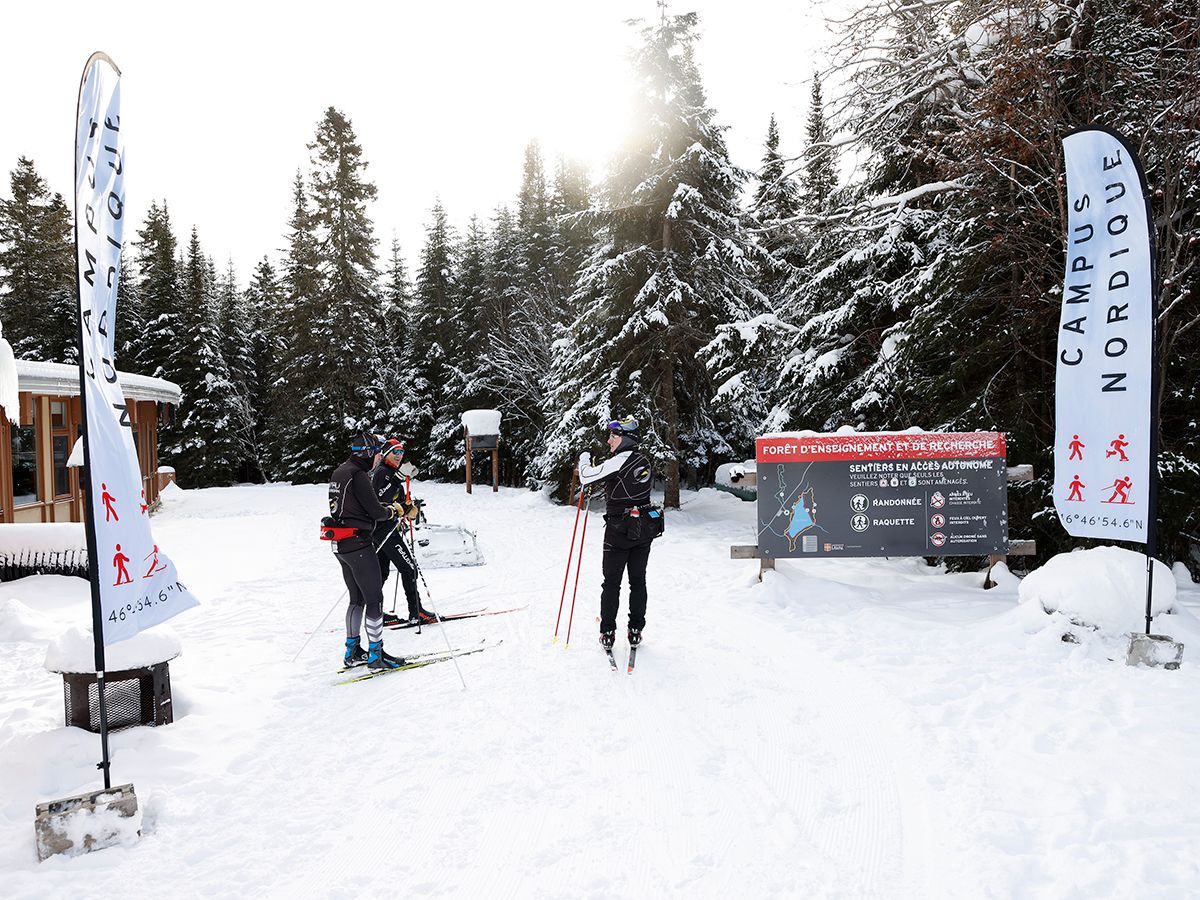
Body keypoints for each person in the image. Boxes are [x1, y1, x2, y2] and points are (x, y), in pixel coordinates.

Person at [327, 432, 409, 670]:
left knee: (357, 599)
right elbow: (375, 511)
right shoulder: (358, 475)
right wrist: (395, 510)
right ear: (369, 453)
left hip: (342, 544)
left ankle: (352, 652)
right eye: (376, 453)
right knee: (374, 599)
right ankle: (376, 656)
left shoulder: (340, 471)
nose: (377, 459)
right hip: (358, 543)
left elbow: (354, 506)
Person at [577, 417, 657, 651]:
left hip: (618, 530)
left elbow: (585, 476)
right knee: (638, 581)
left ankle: (608, 632)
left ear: (626, 439)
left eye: (614, 436)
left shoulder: (619, 462)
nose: (609, 440)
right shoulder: (644, 461)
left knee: (611, 583)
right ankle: (635, 629)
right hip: (643, 528)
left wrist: (584, 456)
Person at [370, 438, 437, 625]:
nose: (399, 456)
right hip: (384, 529)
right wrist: (399, 478)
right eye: (395, 452)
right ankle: (416, 612)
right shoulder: (382, 472)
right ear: (385, 454)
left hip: (383, 528)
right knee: (408, 569)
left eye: (401, 453)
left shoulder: (389, 472)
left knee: (382, 572)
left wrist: (408, 506)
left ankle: (376, 614)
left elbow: (394, 499)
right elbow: (381, 496)